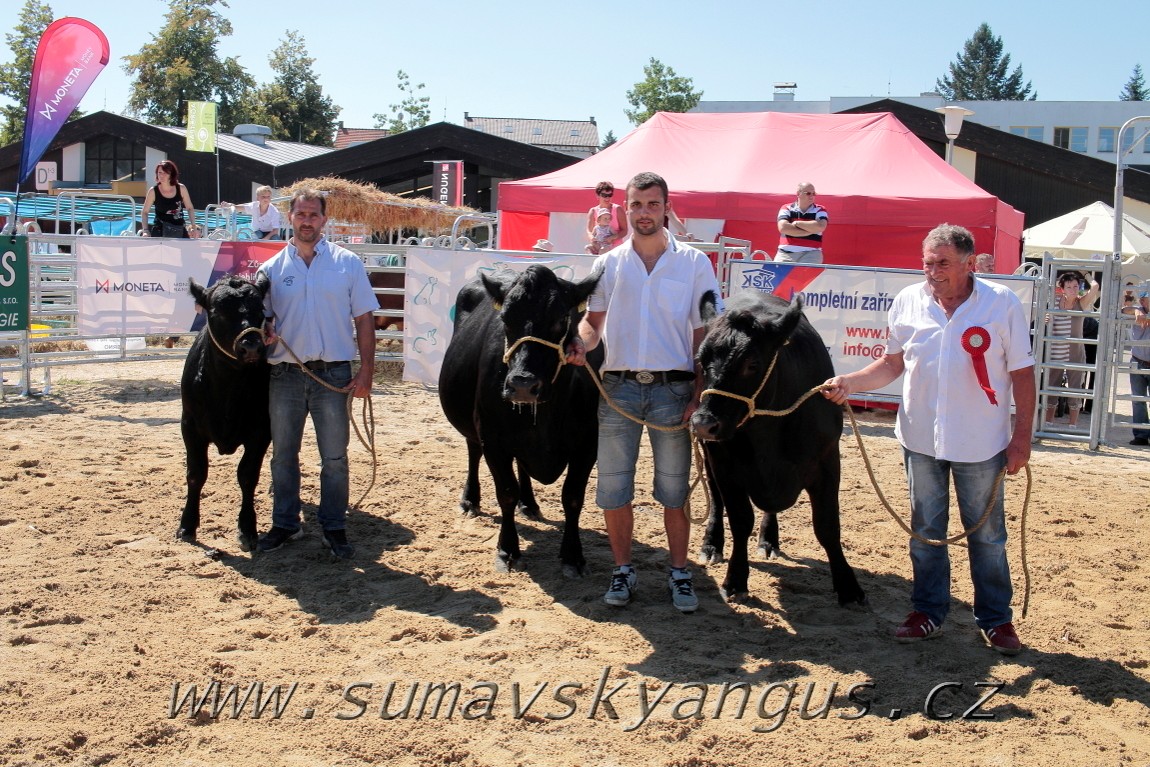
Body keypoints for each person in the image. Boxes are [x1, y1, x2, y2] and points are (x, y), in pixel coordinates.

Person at [821, 223, 1035, 656]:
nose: (932, 271)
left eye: (943, 263)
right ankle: (927, 611)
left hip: (982, 441)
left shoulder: (1001, 303)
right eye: (927, 262)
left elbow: (1022, 373)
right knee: (925, 532)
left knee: (988, 536)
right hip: (920, 438)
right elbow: (890, 363)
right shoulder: (907, 301)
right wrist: (850, 381)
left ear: (970, 264)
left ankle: (996, 620)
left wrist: (1022, 437)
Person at [566, 171, 723, 614]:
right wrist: (579, 342)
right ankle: (623, 569)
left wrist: (700, 393)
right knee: (614, 488)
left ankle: (679, 573)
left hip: (674, 392)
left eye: (653, 204)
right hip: (618, 389)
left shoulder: (695, 263)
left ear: (666, 208)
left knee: (674, 490)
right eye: (636, 205)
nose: (644, 213)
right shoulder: (608, 264)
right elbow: (593, 326)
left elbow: (704, 335)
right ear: (626, 209)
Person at [256, 189, 379, 560]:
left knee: (335, 457)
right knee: (283, 455)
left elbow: (364, 319)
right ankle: (285, 523)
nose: (307, 221)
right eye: (300, 214)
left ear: (324, 220)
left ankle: (333, 526)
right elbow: (261, 321)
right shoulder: (270, 270)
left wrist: (367, 371)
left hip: (334, 374)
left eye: (313, 215)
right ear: (289, 218)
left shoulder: (347, 263)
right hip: (286, 374)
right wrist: (266, 332)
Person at [1043, 271, 1100, 427]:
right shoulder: (1054, 302)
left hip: (1075, 353)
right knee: (1052, 386)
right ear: (1062, 288)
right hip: (1055, 352)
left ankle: (1072, 423)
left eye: (1076, 286)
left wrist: (1086, 274)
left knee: (1075, 388)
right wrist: (1046, 318)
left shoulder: (1081, 303)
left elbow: (1095, 287)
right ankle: (1049, 420)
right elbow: (1043, 319)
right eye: (1069, 286)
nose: (1073, 289)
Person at [141, 160, 198, 240]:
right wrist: (145, 230)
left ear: (171, 174)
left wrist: (193, 226)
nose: (161, 175)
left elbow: (190, 208)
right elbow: (144, 212)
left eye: (165, 173)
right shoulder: (153, 191)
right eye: (159, 173)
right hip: (159, 231)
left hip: (179, 229)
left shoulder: (181, 188)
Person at [775, 182, 827, 263]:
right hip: (785, 253)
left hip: (811, 253)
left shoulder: (820, 209)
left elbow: (821, 227)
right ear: (798, 194)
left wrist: (797, 223)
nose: (812, 196)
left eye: (814, 194)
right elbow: (783, 228)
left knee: (807, 275)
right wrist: (810, 230)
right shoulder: (786, 208)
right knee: (778, 275)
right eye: (808, 193)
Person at [1123, 289, 1150, 446]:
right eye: (1145, 299)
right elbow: (1122, 310)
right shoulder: (1136, 312)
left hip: (1141, 361)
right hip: (1138, 360)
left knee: (1139, 399)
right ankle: (1141, 434)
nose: (1145, 302)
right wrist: (1137, 310)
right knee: (1138, 400)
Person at [586, 180, 627, 251]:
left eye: (610, 195)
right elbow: (589, 231)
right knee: (588, 248)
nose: (607, 198)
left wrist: (613, 237)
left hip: (616, 249)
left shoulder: (617, 209)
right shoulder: (593, 211)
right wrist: (592, 238)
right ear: (598, 196)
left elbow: (625, 231)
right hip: (599, 248)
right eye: (604, 195)